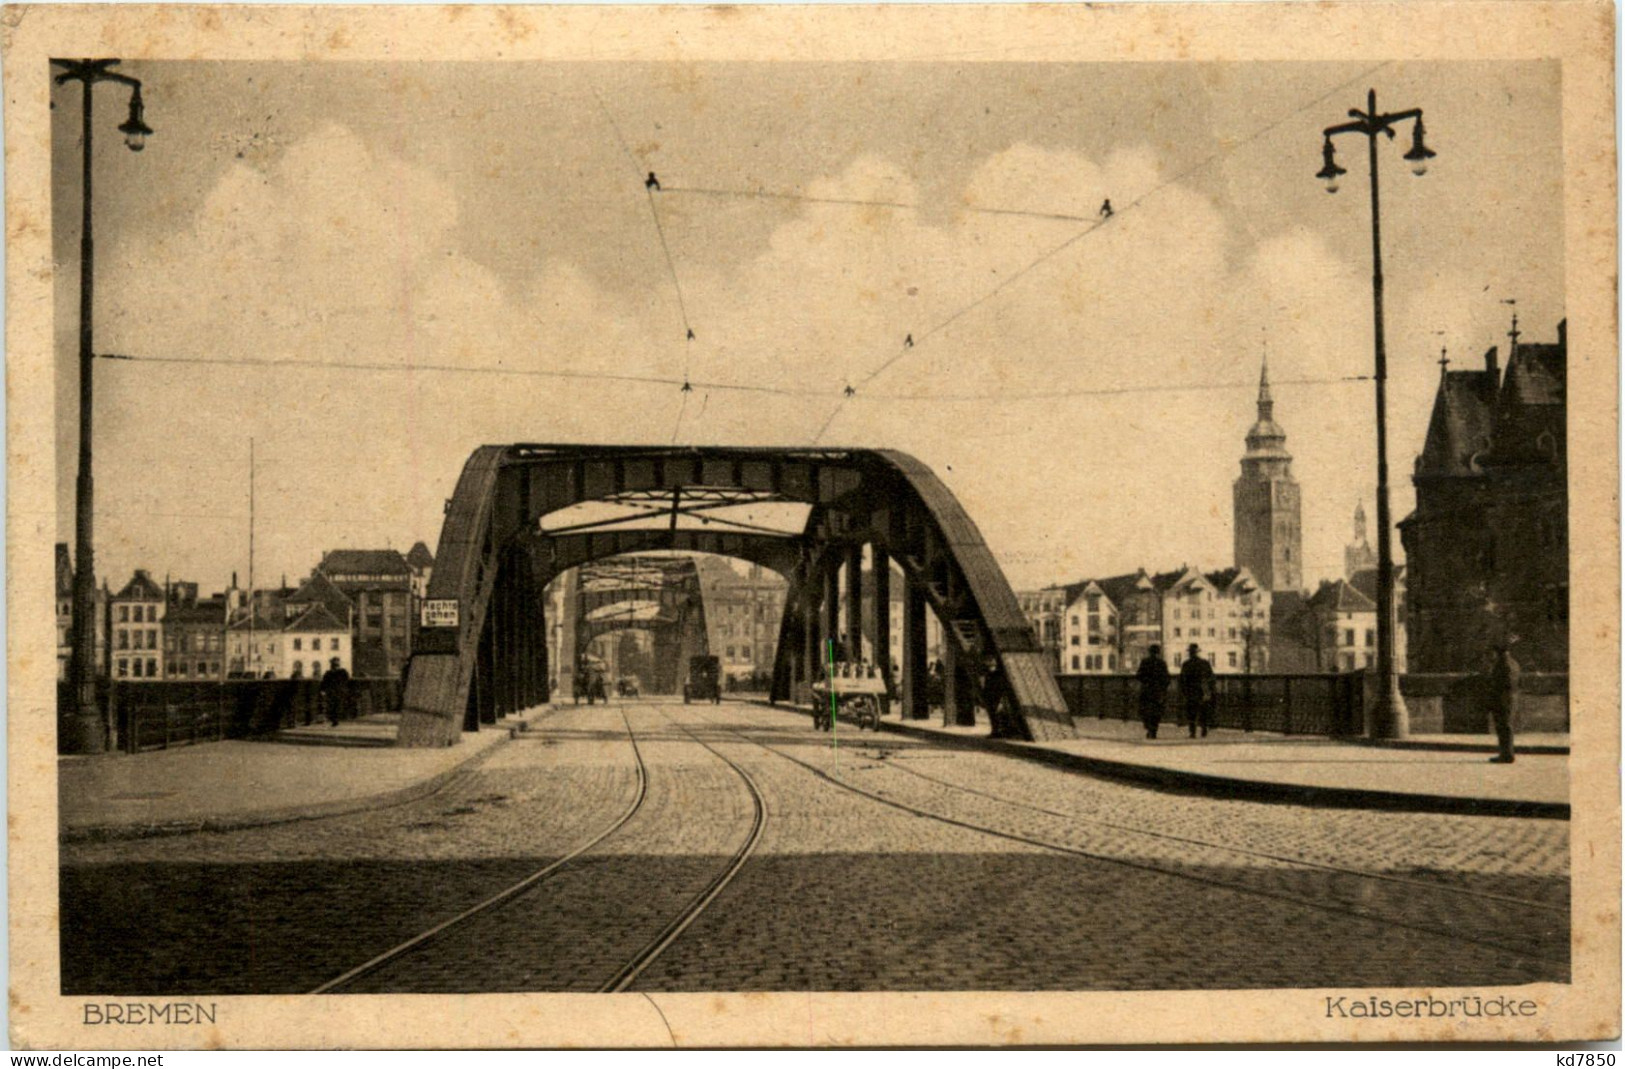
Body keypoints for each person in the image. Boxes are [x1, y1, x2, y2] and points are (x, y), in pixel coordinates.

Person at [1488, 642, 1521, 763]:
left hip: (1503, 698)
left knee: (1504, 727)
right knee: (1506, 726)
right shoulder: (1513, 663)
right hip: (1510, 697)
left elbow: (1505, 682)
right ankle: (1506, 753)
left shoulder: (1503, 664)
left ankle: (1506, 754)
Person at [1135, 644, 1171, 739]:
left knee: (1145, 710)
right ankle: (1154, 729)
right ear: (1158, 652)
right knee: (1157, 711)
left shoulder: (1145, 662)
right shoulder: (1162, 663)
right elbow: (1166, 678)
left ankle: (1149, 727)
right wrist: (1163, 688)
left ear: (1150, 652)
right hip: (1158, 691)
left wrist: (1145, 682)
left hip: (1146, 690)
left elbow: (1139, 675)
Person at [1180, 643, 1215, 737]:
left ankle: (1193, 732)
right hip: (1203, 690)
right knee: (1203, 710)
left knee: (1191, 711)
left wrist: (1183, 691)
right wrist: (1210, 689)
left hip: (1191, 690)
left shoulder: (1186, 664)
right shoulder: (1204, 663)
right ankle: (1204, 728)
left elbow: (1182, 679)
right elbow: (1211, 677)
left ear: (1190, 653)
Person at [320, 658, 351, 727]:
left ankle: (335, 719)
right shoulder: (342, 672)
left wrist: (323, 690)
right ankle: (335, 719)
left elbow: (324, 682)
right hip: (336, 691)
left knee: (335, 705)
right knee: (335, 705)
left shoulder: (330, 673)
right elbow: (347, 681)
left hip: (335, 691)